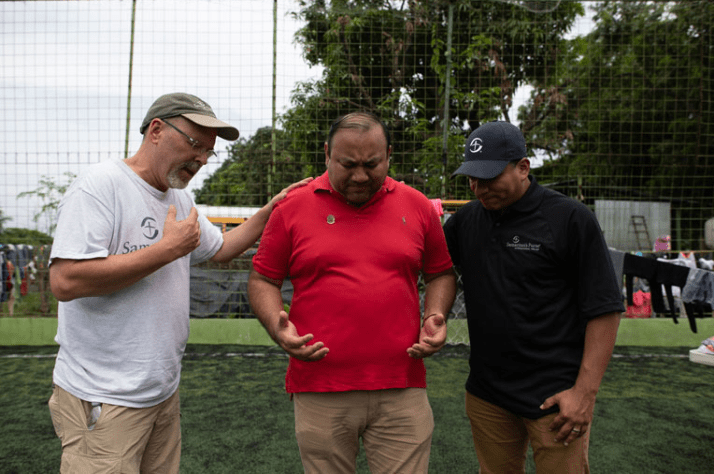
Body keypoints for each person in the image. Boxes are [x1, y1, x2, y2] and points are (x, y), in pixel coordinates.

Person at [47, 92, 310, 473]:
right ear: (156, 130)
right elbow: (65, 280)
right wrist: (167, 249)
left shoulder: (178, 199)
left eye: (208, 151)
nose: (201, 159)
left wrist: (272, 209)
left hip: (161, 393)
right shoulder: (100, 186)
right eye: (194, 144)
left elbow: (220, 248)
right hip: (104, 397)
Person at [247, 111, 457, 473]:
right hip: (319, 385)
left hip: (402, 385)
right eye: (348, 164)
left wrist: (434, 315)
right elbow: (262, 279)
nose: (360, 175)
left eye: (372, 164)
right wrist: (276, 326)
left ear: (389, 155)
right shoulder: (291, 208)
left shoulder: (417, 206)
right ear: (327, 154)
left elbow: (440, 273)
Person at [443, 121, 625, 473]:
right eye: (472, 178)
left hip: (555, 397)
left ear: (523, 167)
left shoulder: (570, 218)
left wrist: (584, 394)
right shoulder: (465, 221)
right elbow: (432, 267)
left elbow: (605, 308)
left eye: (490, 177)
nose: (479, 188)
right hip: (486, 393)